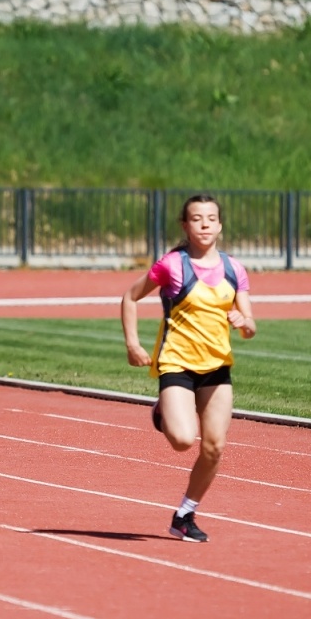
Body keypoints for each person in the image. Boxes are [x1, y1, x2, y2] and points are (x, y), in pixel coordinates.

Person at [120, 194, 256, 544]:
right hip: (178, 363)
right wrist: (133, 344)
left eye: (211, 218)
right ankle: (163, 412)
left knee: (213, 448)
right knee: (182, 440)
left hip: (217, 369)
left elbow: (249, 325)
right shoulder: (172, 265)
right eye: (197, 218)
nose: (205, 224)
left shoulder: (233, 269)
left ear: (220, 225)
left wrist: (244, 322)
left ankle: (185, 514)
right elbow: (131, 297)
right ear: (185, 225)